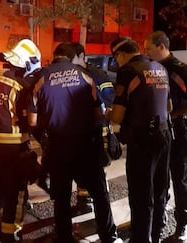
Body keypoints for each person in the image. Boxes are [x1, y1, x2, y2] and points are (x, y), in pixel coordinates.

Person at [28, 43, 122, 243]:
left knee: (61, 198)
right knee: (99, 194)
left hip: (58, 146)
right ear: (72, 58)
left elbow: (32, 121)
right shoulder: (85, 75)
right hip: (86, 146)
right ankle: (109, 236)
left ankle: (64, 238)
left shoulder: (41, 78)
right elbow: (100, 112)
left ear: (54, 57)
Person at [109, 37, 172, 243]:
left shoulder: (128, 71)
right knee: (159, 189)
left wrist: (104, 114)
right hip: (164, 135)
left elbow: (117, 116)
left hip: (143, 139)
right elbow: (169, 106)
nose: (116, 62)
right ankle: (156, 234)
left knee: (141, 195)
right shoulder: (159, 68)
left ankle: (142, 239)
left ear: (121, 54)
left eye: (115, 57)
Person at [0, 39, 42, 243]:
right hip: (13, 147)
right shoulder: (21, 85)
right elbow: (28, 119)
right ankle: (11, 234)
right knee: (15, 194)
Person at [144, 31, 187, 243]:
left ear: (161, 46)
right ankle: (159, 217)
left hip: (177, 132)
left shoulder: (181, 70)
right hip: (159, 133)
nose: (145, 52)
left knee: (179, 179)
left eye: (148, 47)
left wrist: (170, 115)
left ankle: (183, 224)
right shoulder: (151, 68)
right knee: (159, 180)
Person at [71, 42, 116, 214]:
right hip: (80, 130)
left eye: (71, 57)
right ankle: (84, 201)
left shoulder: (98, 75)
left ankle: (102, 208)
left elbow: (109, 99)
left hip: (98, 130)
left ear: (82, 56)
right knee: (81, 167)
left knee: (98, 170)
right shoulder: (73, 75)